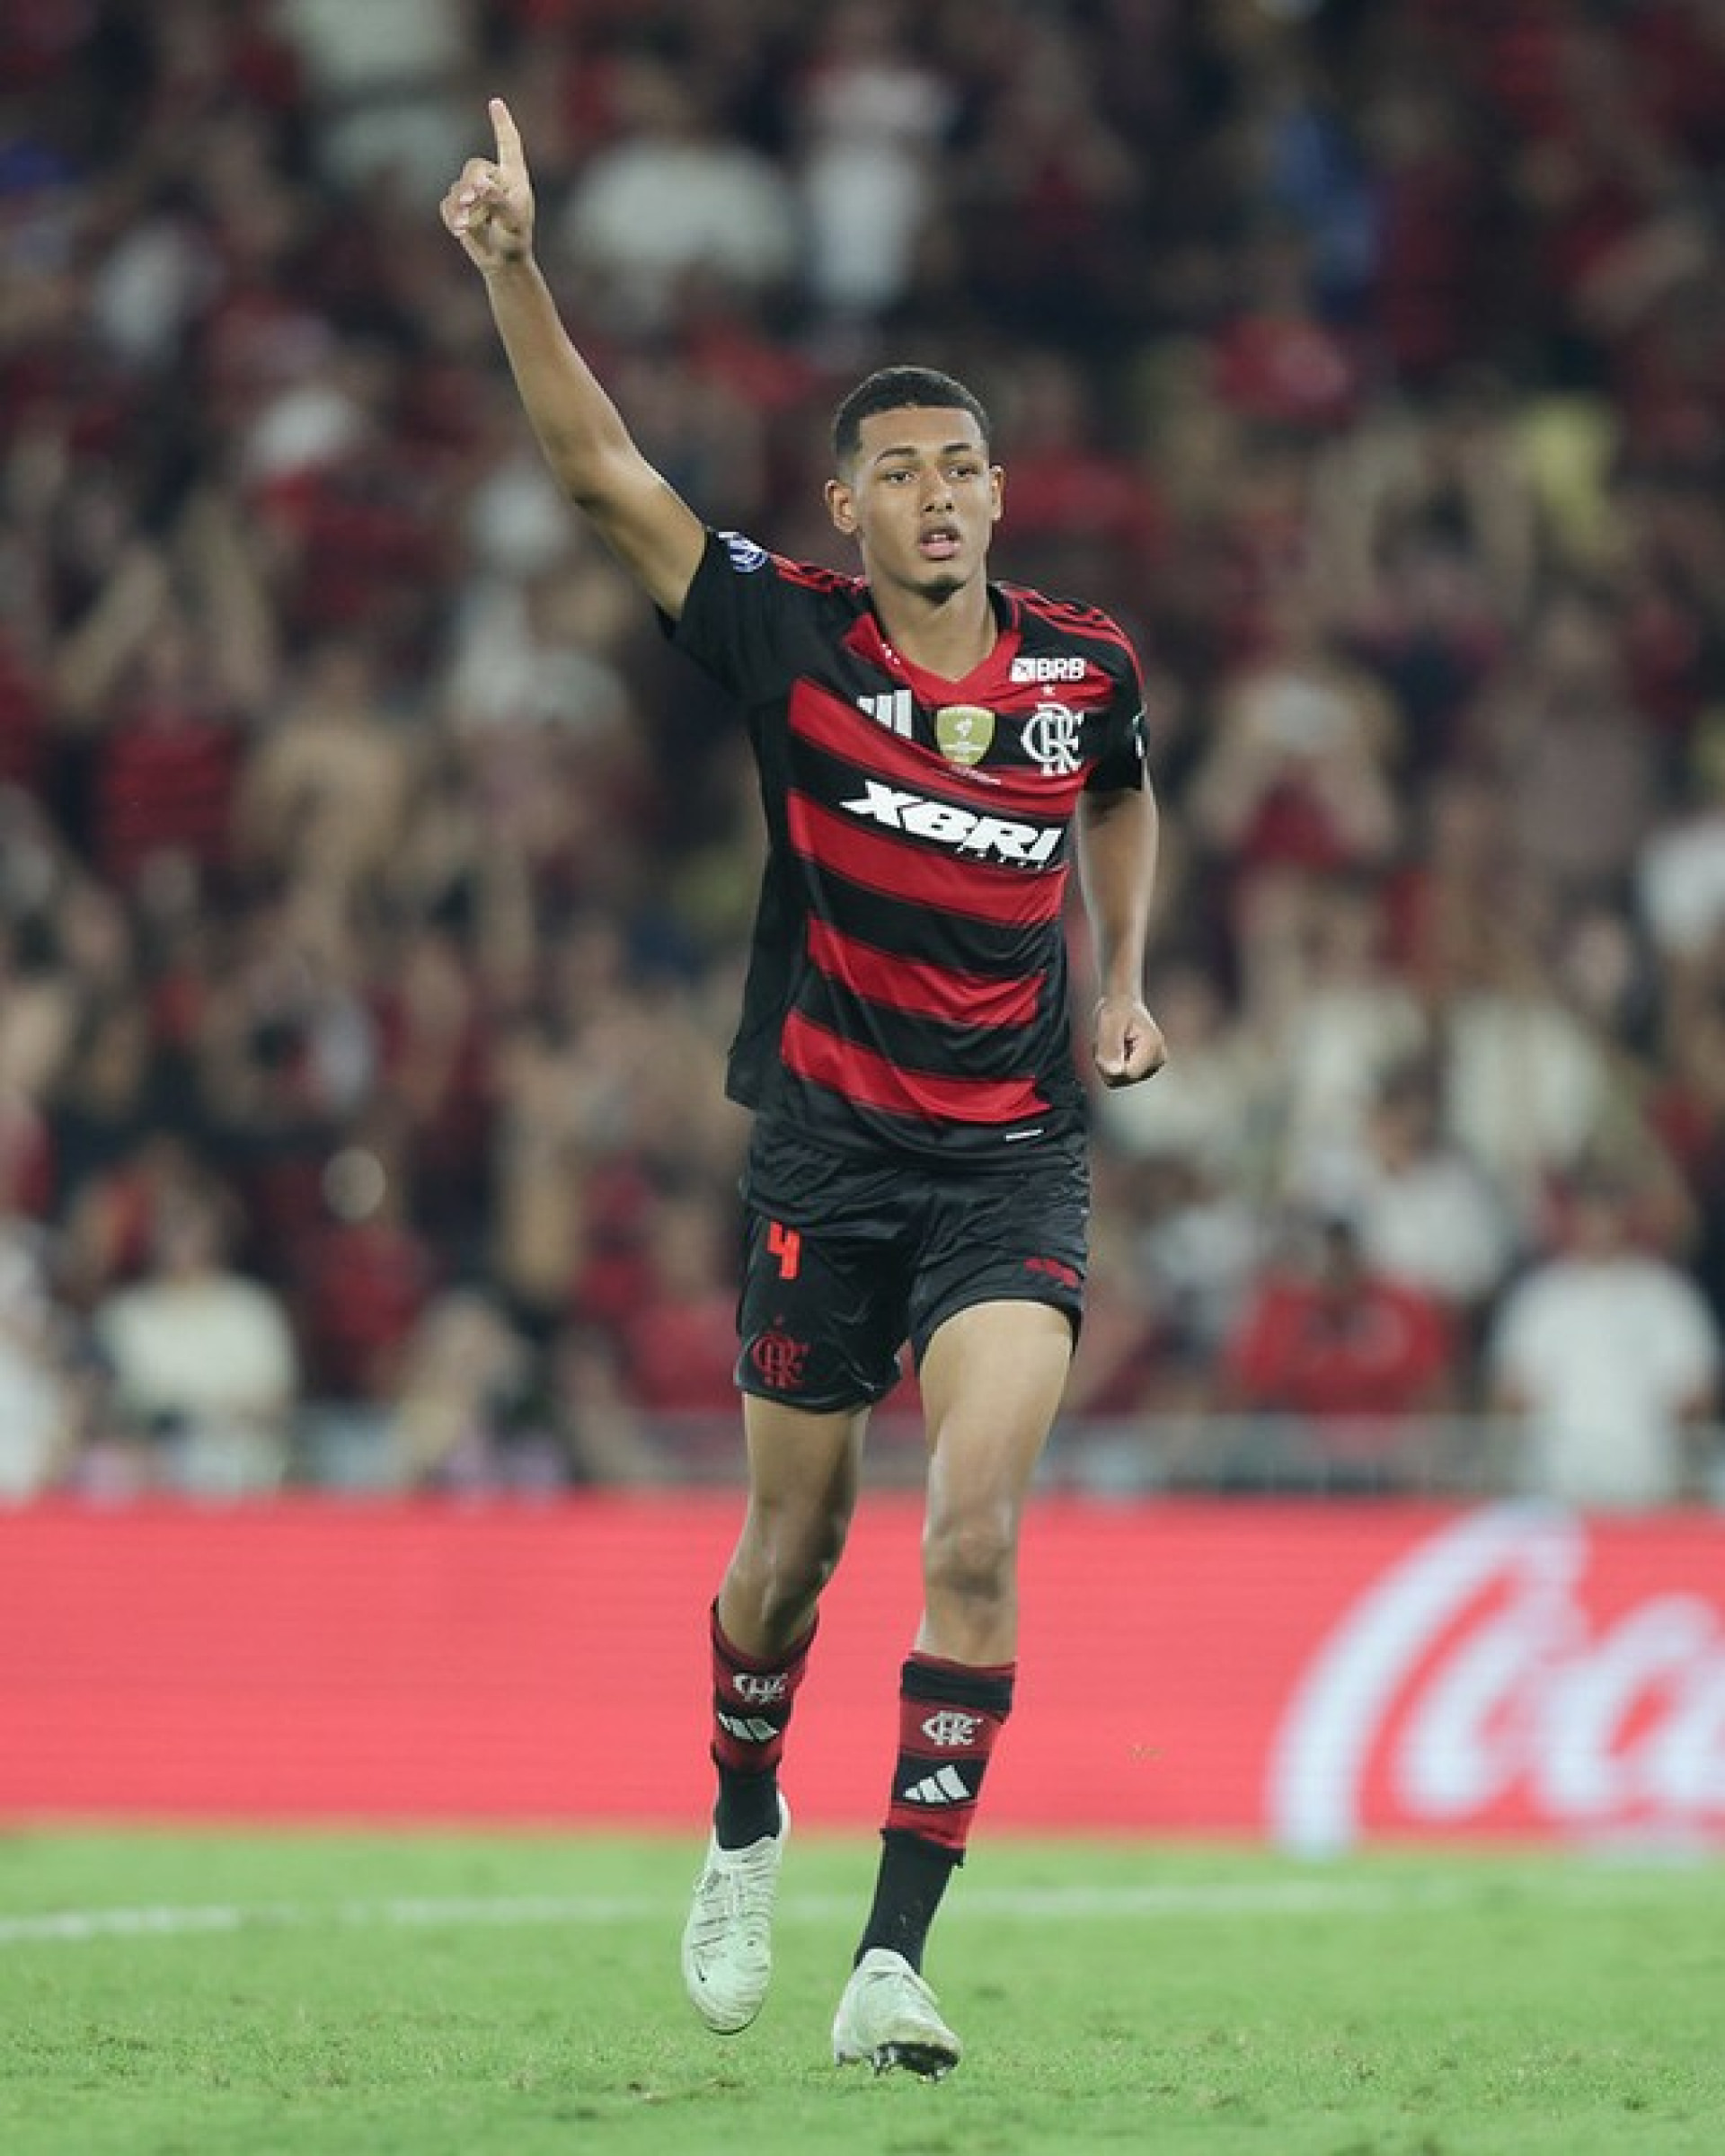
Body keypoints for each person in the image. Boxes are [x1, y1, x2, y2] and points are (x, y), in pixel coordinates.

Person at [442, 101, 1166, 2081]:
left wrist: (1124, 982)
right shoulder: (792, 637)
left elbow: (1122, 799)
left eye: (964, 467)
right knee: (793, 1555)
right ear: (845, 505)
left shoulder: (1082, 670)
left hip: (1010, 1165)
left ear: (1000, 496)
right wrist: (516, 267)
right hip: (827, 1159)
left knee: (977, 1533)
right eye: (899, 471)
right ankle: (745, 1818)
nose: (938, 495)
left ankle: (891, 1962)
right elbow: (601, 474)